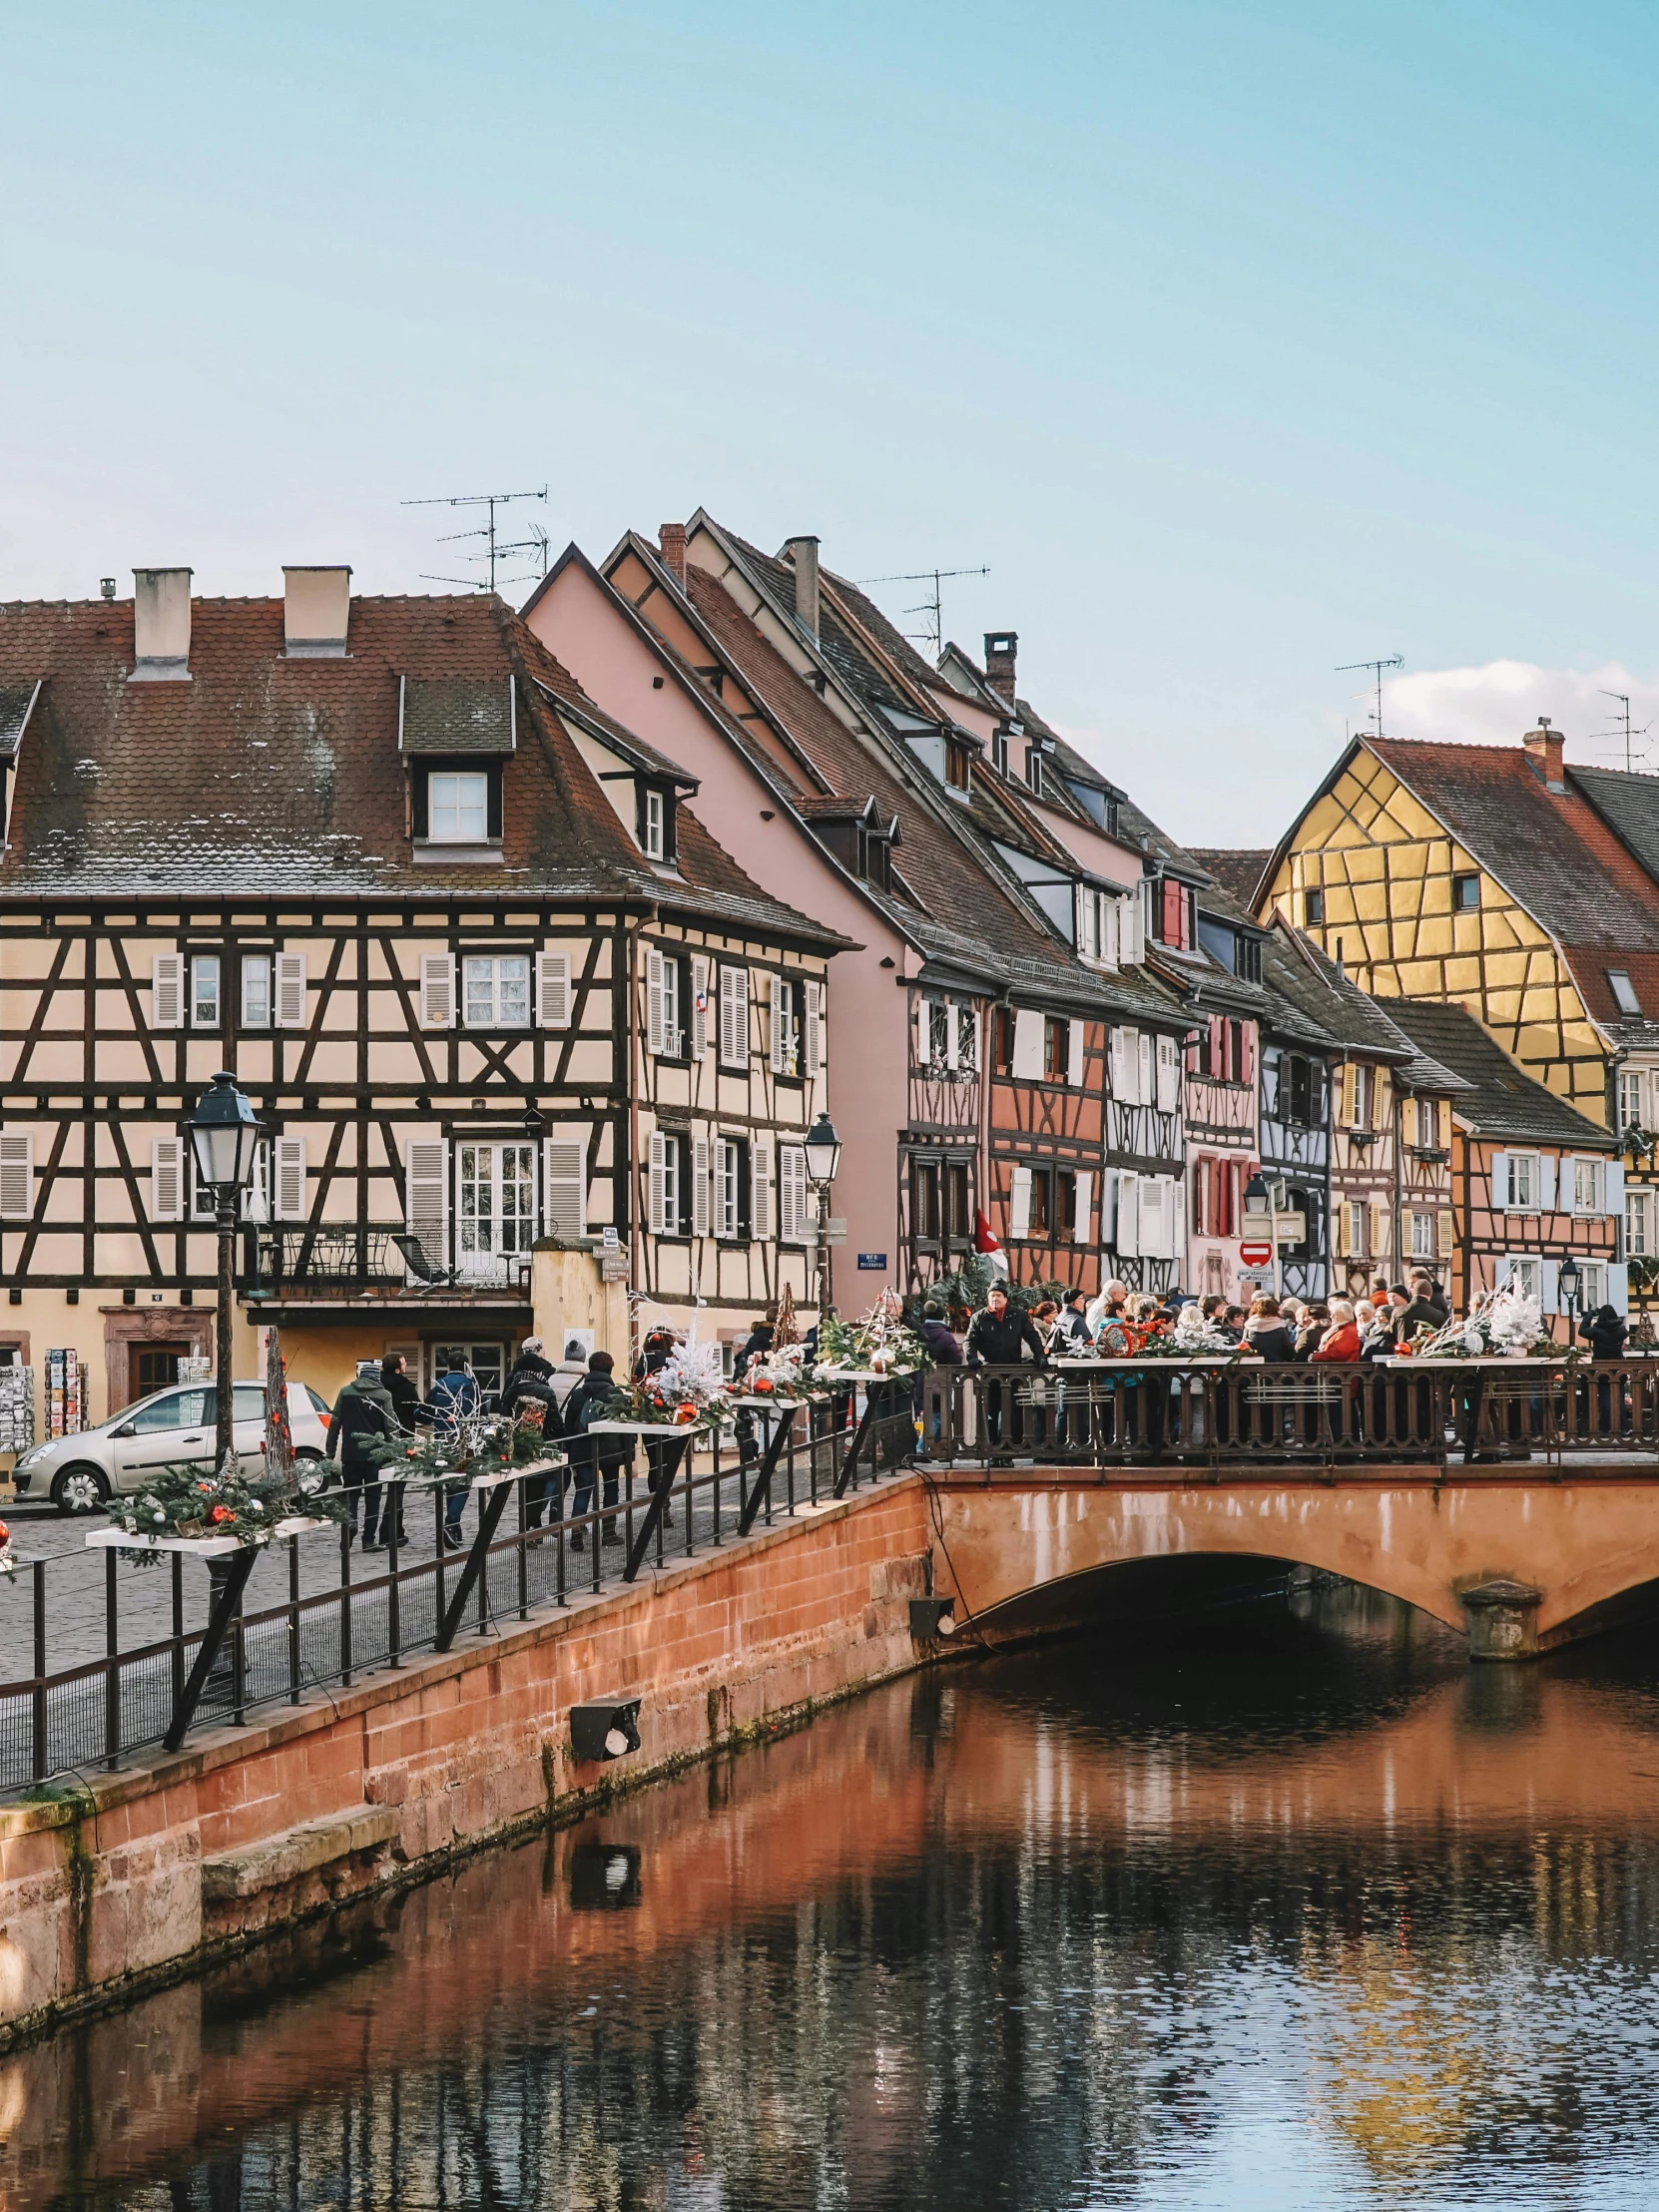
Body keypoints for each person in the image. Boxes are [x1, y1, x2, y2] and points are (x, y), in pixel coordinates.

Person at [965, 1285, 1047, 1457]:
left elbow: (1032, 1336)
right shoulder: (979, 1317)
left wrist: (1040, 1355)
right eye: (992, 1295)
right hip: (991, 1372)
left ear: (1006, 1298)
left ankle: (1010, 1450)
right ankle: (993, 1449)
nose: (995, 1299)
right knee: (992, 1412)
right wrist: (971, 1357)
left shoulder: (1018, 1315)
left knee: (1013, 1411)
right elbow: (970, 1340)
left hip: (1014, 1371)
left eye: (999, 1295)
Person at [365, 1353, 433, 1549]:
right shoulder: (404, 1388)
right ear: (397, 1369)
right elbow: (419, 1412)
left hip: (377, 1439)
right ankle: (390, 1532)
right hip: (402, 1440)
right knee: (398, 1488)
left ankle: (377, 1533)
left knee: (375, 1491)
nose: (406, 1366)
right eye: (404, 1363)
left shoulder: (376, 1387)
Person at [562, 1350, 628, 1549]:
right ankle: (608, 1533)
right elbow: (624, 1426)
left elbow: (569, 1426)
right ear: (610, 1369)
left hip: (582, 1450)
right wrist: (627, 1455)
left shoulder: (578, 1394)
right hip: (610, 1450)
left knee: (583, 1489)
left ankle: (576, 1531)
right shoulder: (615, 1394)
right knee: (611, 1489)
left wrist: (570, 1451)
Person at [329, 1363, 398, 1545]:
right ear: (377, 1377)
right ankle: (368, 1540)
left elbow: (335, 1422)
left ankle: (349, 1525)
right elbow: (390, 1425)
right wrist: (395, 1452)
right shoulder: (384, 1395)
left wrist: (330, 1451)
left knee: (351, 1494)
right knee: (373, 1497)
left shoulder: (345, 1392)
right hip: (375, 1455)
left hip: (350, 1454)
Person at [502, 1338, 564, 1527]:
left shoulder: (511, 1388)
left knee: (527, 1486)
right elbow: (554, 1418)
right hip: (541, 1443)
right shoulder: (544, 1389)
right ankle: (531, 1525)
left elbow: (504, 1414)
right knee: (540, 1484)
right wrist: (561, 1437)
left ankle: (529, 1526)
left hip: (517, 1443)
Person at [429, 1357, 481, 1548]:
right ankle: (452, 1523)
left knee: (450, 1479)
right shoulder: (471, 1385)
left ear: (449, 1366)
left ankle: (454, 1527)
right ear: (467, 1366)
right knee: (464, 1481)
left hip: (442, 1438)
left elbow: (424, 1410)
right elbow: (481, 1410)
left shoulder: (440, 1384)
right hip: (466, 1438)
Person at [1242, 1295, 1296, 1363]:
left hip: (1254, 1368)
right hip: (1276, 1368)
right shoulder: (1280, 1329)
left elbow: (1243, 1348)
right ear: (1275, 1309)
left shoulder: (1248, 1327)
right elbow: (1290, 1353)